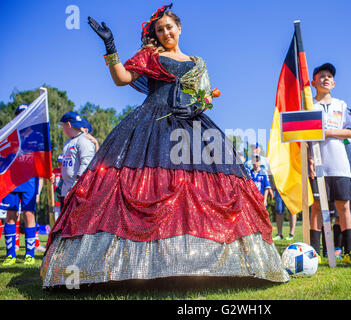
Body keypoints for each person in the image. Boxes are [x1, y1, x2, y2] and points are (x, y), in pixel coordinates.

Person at [41, 4, 289, 288]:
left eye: (169, 27)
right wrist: (110, 45)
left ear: (179, 28)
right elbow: (122, 79)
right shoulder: (151, 55)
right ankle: (135, 268)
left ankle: (194, 264)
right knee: (146, 187)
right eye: (159, 29)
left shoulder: (198, 62)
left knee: (197, 189)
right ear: (155, 34)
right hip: (151, 125)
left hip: (193, 125)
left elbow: (206, 95)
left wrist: (196, 105)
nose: (165, 32)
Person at [308, 63, 351, 265]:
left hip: (340, 165)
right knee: (316, 208)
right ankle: (314, 255)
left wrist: (326, 132)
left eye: (329, 76)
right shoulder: (308, 106)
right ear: (314, 82)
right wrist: (309, 157)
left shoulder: (341, 105)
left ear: (334, 82)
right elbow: (303, 137)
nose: (325, 78)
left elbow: (350, 132)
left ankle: (349, 253)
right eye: (321, 76)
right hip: (318, 165)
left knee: (344, 208)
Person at [1, 105, 40, 266]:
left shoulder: (38, 136)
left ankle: (29, 254)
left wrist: (39, 188)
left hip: (30, 181)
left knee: (28, 215)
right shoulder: (8, 135)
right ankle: (11, 255)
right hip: (10, 181)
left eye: (25, 114)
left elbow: (41, 162)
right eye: (19, 114)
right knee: (10, 217)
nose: (22, 117)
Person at [57, 112, 96, 211]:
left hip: (78, 192)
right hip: (66, 190)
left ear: (68, 125)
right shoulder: (68, 142)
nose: (63, 130)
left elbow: (87, 164)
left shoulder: (84, 140)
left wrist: (77, 185)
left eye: (63, 127)